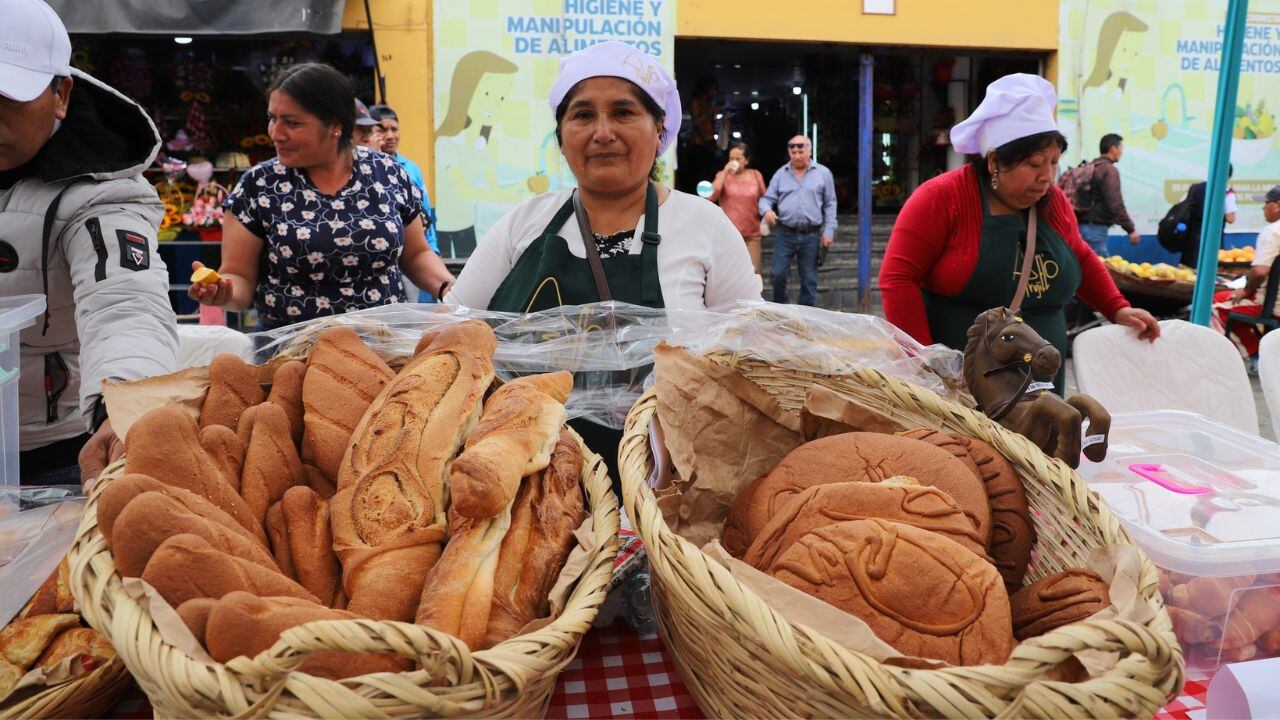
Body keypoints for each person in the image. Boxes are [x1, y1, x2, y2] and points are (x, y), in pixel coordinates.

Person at [446, 41, 758, 477]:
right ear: (561, 136)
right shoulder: (525, 223)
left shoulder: (704, 225)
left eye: (624, 112)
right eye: (583, 115)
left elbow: (748, 358)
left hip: (662, 494)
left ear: (659, 128)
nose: (603, 132)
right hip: (524, 484)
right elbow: (455, 336)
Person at [879, 74, 1159, 392]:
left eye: (1054, 162)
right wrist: (923, 361)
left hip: (1042, 382)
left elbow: (1080, 255)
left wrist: (1117, 307)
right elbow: (898, 277)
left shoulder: (1053, 204)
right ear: (996, 160)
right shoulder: (942, 198)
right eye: (1036, 164)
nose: (1048, 176)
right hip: (961, 384)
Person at [1, 0, 177, 486]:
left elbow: (125, 303)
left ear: (61, 93)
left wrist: (124, 407)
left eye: (8, 96)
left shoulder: (103, 195)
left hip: (55, 453)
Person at [188, 63, 453, 330]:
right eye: (272, 118)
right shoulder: (258, 186)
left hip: (382, 351)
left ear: (335, 126)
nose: (276, 133)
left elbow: (417, 255)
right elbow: (239, 276)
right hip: (290, 358)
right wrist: (226, 293)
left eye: (292, 122)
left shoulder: (388, 173)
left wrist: (449, 288)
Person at [434, 51, 521, 258]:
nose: (495, 105)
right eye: (487, 94)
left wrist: (527, 190)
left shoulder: (480, 146)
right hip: (443, 230)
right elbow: (463, 189)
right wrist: (509, 197)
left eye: (501, 97)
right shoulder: (445, 143)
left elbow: (493, 184)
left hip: (466, 225)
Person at [759, 135, 836, 306]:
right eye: (793, 152)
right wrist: (767, 210)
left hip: (812, 234)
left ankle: (805, 319)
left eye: (800, 151)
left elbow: (830, 204)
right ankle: (781, 314)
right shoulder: (781, 174)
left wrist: (829, 230)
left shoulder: (823, 173)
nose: (797, 155)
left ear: (809, 150)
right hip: (785, 233)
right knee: (778, 275)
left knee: (809, 280)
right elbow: (766, 199)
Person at [1213, 185, 1280, 369]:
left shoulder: (1274, 231)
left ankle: (1256, 354)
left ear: (1277, 206)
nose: (1263, 208)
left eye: (1266, 203)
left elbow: (1259, 272)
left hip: (1273, 305)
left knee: (1212, 306)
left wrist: (1246, 290)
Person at [369, 103, 438, 255]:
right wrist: (373, 157)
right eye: (382, 129)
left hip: (414, 254)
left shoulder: (411, 168)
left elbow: (425, 212)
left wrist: (433, 250)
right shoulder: (362, 165)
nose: (390, 136)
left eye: (394, 129)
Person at [1075, 133, 1140, 255]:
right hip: (1095, 230)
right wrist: (1130, 229)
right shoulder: (1109, 170)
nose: (1122, 152)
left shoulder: (1091, 167)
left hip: (1081, 227)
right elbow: (1115, 203)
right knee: (1098, 269)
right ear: (1113, 148)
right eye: (1121, 148)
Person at [709, 141, 767, 275]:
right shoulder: (722, 175)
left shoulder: (756, 175)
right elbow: (711, 196)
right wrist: (725, 171)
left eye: (738, 158)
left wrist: (767, 213)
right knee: (728, 274)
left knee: (753, 274)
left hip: (752, 234)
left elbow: (765, 198)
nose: (733, 161)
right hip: (728, 235)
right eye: (731, 158)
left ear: (746, 160)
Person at [1179, 165, 1238, 269]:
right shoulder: (1227, 192)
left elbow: (1181, 207)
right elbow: (1230, 218)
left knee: (1188, 277)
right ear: (1229, 176)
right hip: (1213, 242)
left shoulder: (1195, 188)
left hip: (1191, 243)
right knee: (1210, 272)